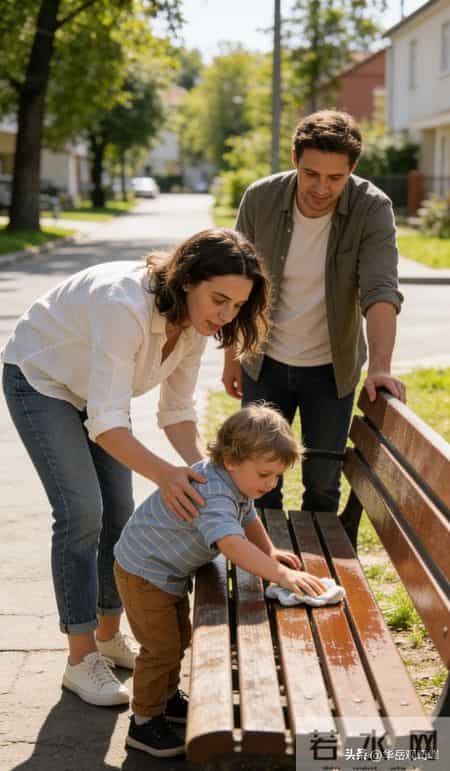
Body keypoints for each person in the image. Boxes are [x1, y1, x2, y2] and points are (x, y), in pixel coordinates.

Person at [1, 228, 270, 707]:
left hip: (95, 395)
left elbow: (177, 413)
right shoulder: (121, 305)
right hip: (40, 378)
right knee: (82, 511)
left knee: (120, 513)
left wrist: (208, 475)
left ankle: (107, 636)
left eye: (237, 306)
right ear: (187, 280)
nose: (226, 316)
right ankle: (80, 659)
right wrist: (167, 475)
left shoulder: (195, 325)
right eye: (219, 299)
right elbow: (107, 423)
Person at [114, 404, 326, 758]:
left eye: (277, 476)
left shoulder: (236, 482)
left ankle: (165, 699)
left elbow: (247, 518)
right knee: (161, 648)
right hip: (144, 573)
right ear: (231, 461)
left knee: (178, 637)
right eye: (265, 474)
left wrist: (270, 553)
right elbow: (230, 544)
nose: (271, 484)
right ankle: (144, 722)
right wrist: (283, 575)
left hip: (165, 572)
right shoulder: (212, 491)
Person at [223, 110, 406, 514]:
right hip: (264, 363)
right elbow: (236, 283)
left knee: (322, 486)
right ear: (294, 159)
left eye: (335, 178)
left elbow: (380, 291)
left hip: (331, 368)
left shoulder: (372, 208)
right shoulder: (260, 199)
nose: (321, 188)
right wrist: (232, 356)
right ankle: (267, 568)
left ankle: (316, 573)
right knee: (258, 483)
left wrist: (380, 367)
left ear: (352, 169)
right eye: (311, 174)